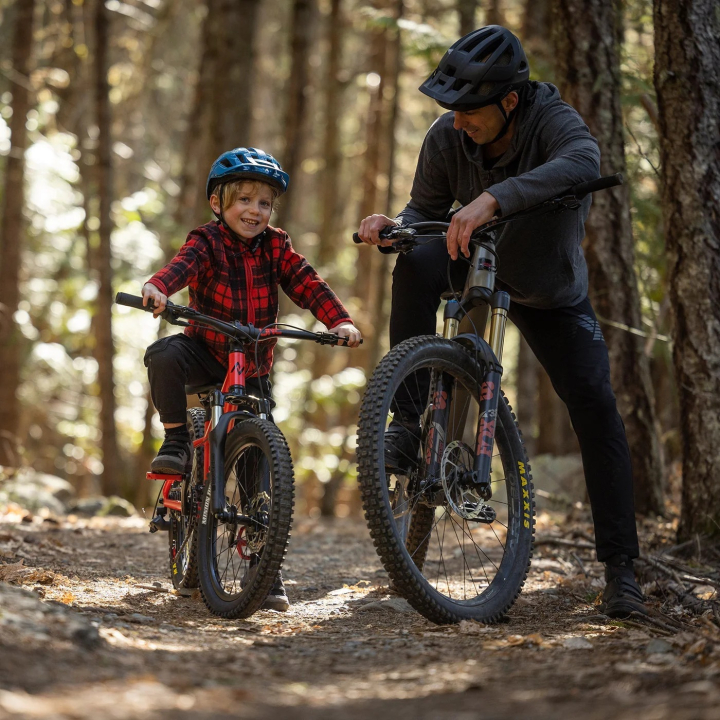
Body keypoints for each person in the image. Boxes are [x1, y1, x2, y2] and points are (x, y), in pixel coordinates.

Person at [357, 26, 646, 619]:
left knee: (594, 403)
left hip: (546, 288)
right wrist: (396, 226)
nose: (456, 122)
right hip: (471, 264)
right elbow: (425, 211)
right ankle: (409, 422)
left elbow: (584, 159)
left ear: (509, 102)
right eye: (450, 111)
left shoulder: (550, 119)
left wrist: (497, 197)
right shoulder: (448, 135)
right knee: (413, 259)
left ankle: (622, 571)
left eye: (469, 111)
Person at [142, 147, 362, 611]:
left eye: (264, 203)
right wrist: (160, 287)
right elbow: (180, 268)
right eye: (244, 200)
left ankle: (266, 567)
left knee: (259, 467)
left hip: (253, 366)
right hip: (205, 352)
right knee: (163, 353)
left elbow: (307, 283)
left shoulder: (276, 245)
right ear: (218, 204)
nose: (255, 211)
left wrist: (337, 321)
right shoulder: (206, 240)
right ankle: (178, 441)